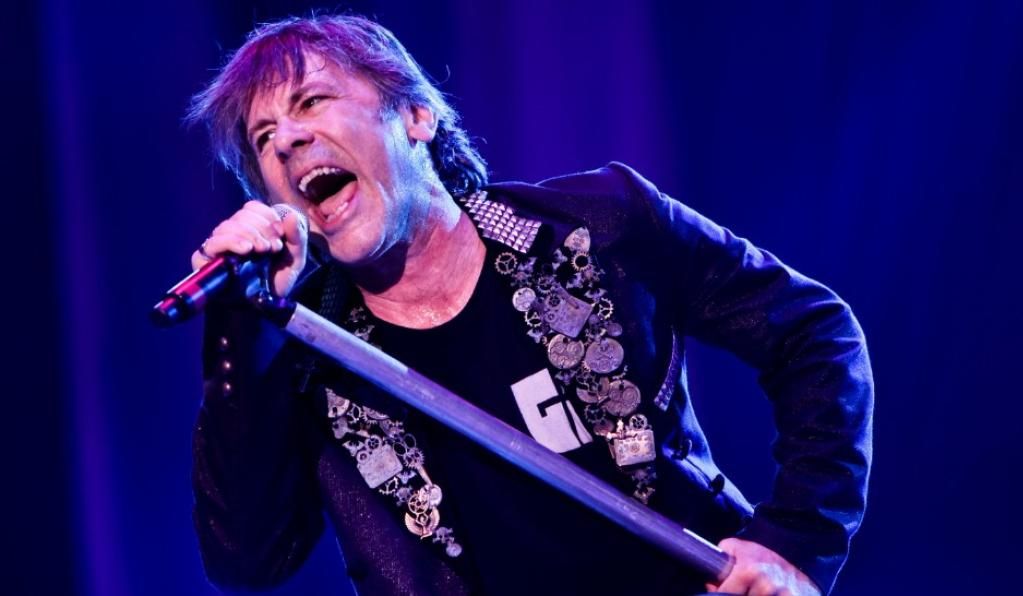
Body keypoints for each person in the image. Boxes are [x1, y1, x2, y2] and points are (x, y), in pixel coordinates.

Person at [186, 14, 873, 596]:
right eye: (262, 138)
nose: (286, 140)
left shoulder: (601, 224)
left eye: (311, 102)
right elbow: (247, 560)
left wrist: (795, 540)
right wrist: (242, 328)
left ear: (416, 116)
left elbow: (812, 332)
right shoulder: (301, 354)